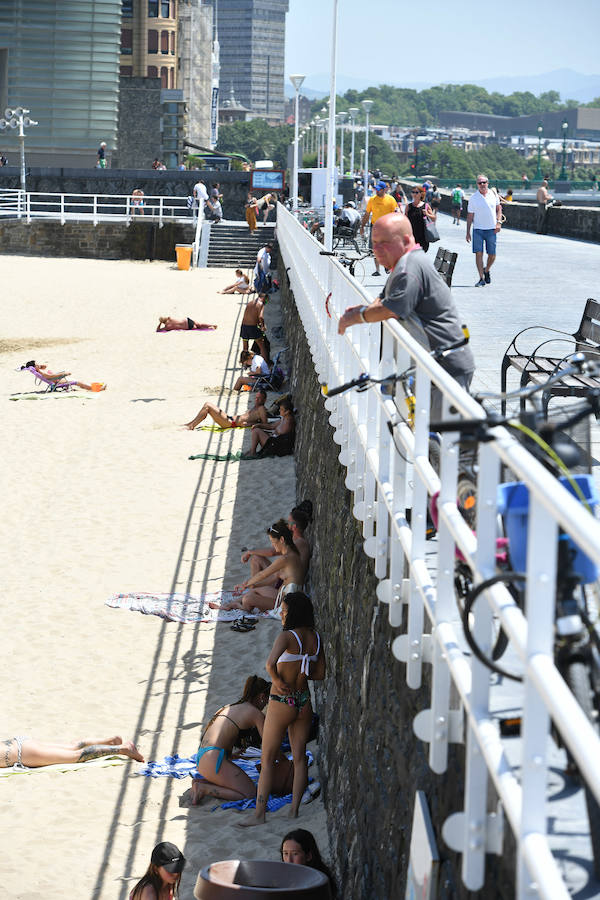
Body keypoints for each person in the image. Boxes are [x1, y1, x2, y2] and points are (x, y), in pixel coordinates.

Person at [337, 213, 475, 417]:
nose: (377, 249)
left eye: (384, 242)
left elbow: (391, 308)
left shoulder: (408, 269)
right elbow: (383, 299)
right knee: (424, 437)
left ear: (407, 240)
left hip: (445, 369)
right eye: (373, 243)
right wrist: (364, 310)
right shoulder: (403, 263)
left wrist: (355, 317)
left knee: (441, 442)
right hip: (433, 366)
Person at [240, 592, 325, 826]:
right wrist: (302, 669)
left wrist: (277, 681)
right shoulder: (316, 638)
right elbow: (320, 674)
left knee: (267, 759)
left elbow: (269, 665)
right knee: (299, 759)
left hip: (281, 702)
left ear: (294, 613)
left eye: (285, 610)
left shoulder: (287, 637)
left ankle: (259, 815)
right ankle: (294, 811)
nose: (282, 614)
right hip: (303, 701)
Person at [191, 675, 273, 805]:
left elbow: (221, 739)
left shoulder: (229, 707)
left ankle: (202, 782)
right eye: (267, 701)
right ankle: (203, 789)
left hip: (202, 758)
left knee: (237, 783)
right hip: (213, 760)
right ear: (262, 697)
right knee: (250, 793)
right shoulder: (255, 713)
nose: (266, 705)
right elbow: (270, 745)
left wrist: (233, 756)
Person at [219, 517, 305, 613]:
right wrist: (251, 585)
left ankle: (240, 606)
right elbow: (275, 576)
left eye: (273, 542)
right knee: (253, 591)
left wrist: (246, 584)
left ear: (281, 539)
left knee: (248, 599)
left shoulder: (285, 559)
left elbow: (263, 574)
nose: (272, 545)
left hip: (286, 603)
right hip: (281, 595)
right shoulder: (293, 553)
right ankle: (232, 604)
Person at [241, 500, 312, 587]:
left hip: (286, 583)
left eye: (288, 522)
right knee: (256, 559)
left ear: (294, 527)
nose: (286, 524)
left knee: (256, 560)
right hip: (282, 576)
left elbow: (273, 552)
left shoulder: (299, 542)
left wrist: (250, 552)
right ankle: (252, 587)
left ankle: (252, 588)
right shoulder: (295, 539)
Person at [1, 734, 143, 769]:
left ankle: (123, 749)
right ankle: (109, 740)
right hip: (20, 742)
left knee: (76, 756)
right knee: (71, 747)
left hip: (24, 755)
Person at [466, 174, 502, 286]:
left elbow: (499, 208)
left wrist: (499, 222)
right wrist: (467, 232)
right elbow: (470, 216)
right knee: (478, 254)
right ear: (477, 184)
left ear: (488, 183)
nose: (482, 185)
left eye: (484, 182)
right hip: (478, 230)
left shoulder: (493, 194)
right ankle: (481, 278)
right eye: (479, 183)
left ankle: (486, 270)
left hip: (491, 229)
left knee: (492, 254)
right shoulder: (473, 198)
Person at [280, 829, 337, 897]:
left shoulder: (318, 883)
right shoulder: (281, 877)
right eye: (285, 853)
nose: (289, 860)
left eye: (295, 854)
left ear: (308, 856)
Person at [360, 181, 398, 276]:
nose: (376, 191)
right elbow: (367, 214)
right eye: (376, 189)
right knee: (374, 249)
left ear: (384, 189)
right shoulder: (372, 200)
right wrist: (362, 226)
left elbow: (396, 213)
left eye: (379, 189)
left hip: (387, 227)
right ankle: (377, 270)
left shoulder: (391, 200)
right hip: (375, 227)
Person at [182, 389, 268, 431]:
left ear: (264, 400)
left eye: (259, 398)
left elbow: (265, 424)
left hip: (231, 423)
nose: (256, 400)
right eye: (256, 398)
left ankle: (191, 426)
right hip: (230, 419)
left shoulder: (261, 409)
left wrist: (250, 424)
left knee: (207, 405)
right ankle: (190, 424)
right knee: (207, 406)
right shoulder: (256, 407)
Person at [21, 360, 107, 392]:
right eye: (37, 364)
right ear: (34, 367)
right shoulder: (41, 373)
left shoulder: (38, 372)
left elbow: (47, 370)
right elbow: (51, 377)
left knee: (79, 381)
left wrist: (40, 367)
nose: (39, 365)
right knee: (77, 382)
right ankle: (97, 389)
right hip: (57, 382)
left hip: (56, 381)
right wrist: (64, 374)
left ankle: (95, 386)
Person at [405, 186, 436, 254]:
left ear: (421, 194)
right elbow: (405, 221)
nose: (414, 194)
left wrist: (427, 214)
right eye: (413, 192)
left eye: (416, 192)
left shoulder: (426, 206)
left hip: (423, 237)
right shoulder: (408, 206)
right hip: (411, 237)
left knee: (419, 256)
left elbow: (434, 218)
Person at [240, 293, 267, 358]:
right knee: (262, 345)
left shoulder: (250, 303)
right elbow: (260, 316)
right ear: (264, 298)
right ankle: (266, 362)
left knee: (245, 347)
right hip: (252, 327)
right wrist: (263, 326)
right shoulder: (261, 304)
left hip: (244, 326)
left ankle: (245, 363)